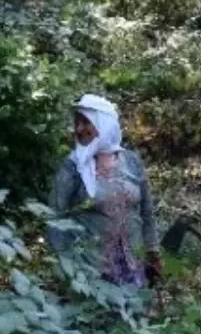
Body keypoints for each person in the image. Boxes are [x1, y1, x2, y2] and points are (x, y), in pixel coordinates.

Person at [48, 94, 161, 286]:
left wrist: (153, 251)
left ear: (104, 124)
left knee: (135, 314)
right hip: (89, 272)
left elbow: (147, 213)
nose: (78, 129)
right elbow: (55, 217)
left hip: (134, 266)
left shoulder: (131, 162)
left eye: (86, 122)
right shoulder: (73, 166)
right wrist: (65, 266)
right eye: (77, 123)